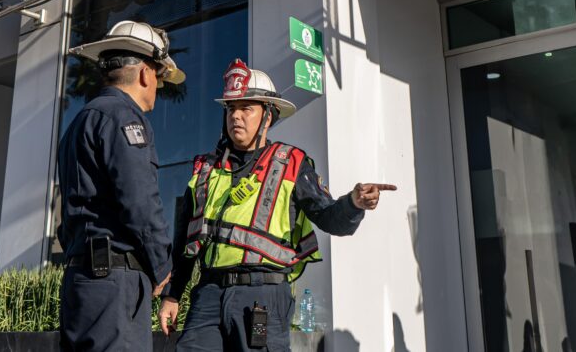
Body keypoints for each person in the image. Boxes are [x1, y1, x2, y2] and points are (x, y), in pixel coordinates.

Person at [159, 59, 396, 350]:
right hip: (208, 293)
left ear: (268, 117)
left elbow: (330, 219)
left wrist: (354, 202)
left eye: (247, 108)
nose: (236, 117)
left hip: (263, 295)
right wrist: (172, 295)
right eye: (232, 109)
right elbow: (186, 239)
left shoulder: (292, 163)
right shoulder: (206, 169)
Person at [56, 20, 184, 351]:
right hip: (114, 283)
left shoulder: (81, 121)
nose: (158, 85)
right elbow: (139, 199)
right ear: (144, 73)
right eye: (158, 75)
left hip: (82, 280)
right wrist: (161, 264)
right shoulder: (124, 117)